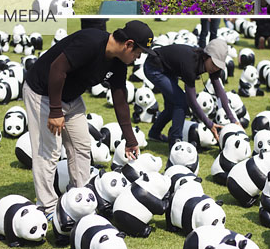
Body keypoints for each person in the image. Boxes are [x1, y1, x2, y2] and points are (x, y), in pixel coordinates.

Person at [23, 20, 154, 218]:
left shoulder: (118, 63)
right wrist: (56, 111)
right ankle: (47, 207)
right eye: (139, 52)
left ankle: (79, 198)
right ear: (128, 44)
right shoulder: (91, 42)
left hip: (71, 97)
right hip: (42, 93)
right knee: (49, 151)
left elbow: (119, 98)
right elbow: (57, 69)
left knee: (81, 145)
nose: (138, 57)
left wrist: (130, 139)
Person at [145, 38, 238, 147]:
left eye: (218, 65)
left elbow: (219, 91)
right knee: (181, 102)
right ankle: (176, 143)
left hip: (169, 70)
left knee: (172, 106)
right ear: (205, 56)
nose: (216, 68)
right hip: (154, 67)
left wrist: (233, 120)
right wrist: (209, 124)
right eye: (213, 63)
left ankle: (154, 133)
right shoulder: (190, 63)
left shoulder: (213, 67)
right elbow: (191, 101)